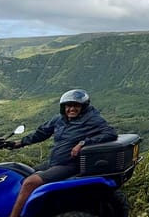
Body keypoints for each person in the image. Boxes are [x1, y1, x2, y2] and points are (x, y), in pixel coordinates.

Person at [9, 89, 117, 217]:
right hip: (55, 161)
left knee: (30, 182)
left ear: (83, 107)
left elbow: (110, 133)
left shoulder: (92, 119)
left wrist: (83, 143)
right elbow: (41, 133)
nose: (71, 109)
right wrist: (19, 143)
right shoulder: (59, 119)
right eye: (68, 105)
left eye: (76, 105)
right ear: (63, 107)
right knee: (20, 174)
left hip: (69, 164)